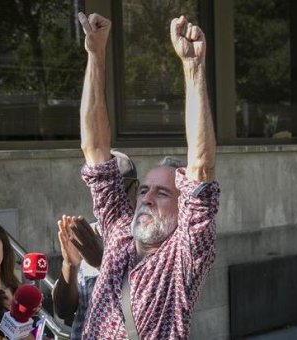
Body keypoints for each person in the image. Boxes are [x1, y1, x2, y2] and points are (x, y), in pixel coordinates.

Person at [77, 13, 220, 339]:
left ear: (185, 209)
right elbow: (95, 148)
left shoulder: (182, 260)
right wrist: (96, 55)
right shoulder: (118, 235)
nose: (147, 199)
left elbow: (201, 169)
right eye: (143, 190)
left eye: (163, 193)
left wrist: (193, 67)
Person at [52, 150, 138, 339]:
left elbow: (144, 307)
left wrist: (103, 263)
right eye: (100, 190)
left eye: (118, 190)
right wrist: (70, 265)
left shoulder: (149, 240)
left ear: (136, 189)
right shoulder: (86, 236)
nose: (109, 200)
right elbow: (63, 311)